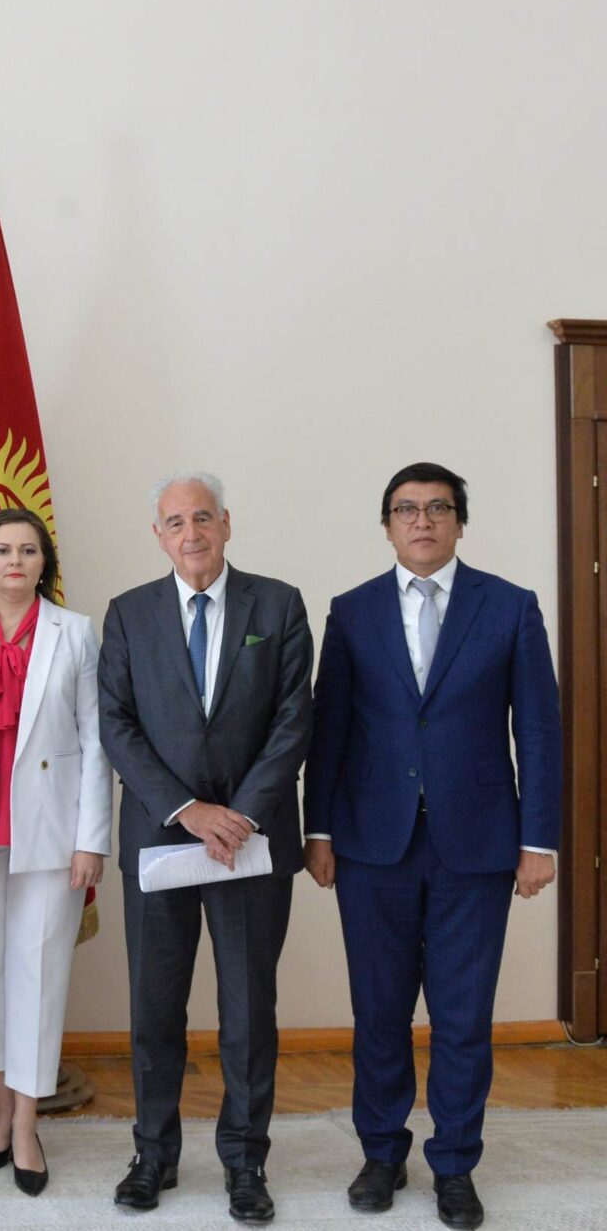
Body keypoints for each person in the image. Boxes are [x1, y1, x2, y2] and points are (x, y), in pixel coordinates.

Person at [303, 463, 561, 1230]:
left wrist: (538, 838)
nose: (422, 520)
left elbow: (538, 730)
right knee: (379, 1012)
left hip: (477, 844)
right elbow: (329, 728)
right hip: (370, 844)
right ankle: (382, 1153)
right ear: (387, 525)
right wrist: (319, 830)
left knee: (463, 1016)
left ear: (459, 521)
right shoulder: (352, 611)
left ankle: (455, 1163)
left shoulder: (509, 606)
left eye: (438, 507)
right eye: (407, 509)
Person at [97, 471, 313, 1223]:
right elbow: (116, 723)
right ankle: (153, 1155)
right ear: (158, 535)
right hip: (161, 837)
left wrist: (240, 815)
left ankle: (246, 1161)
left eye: (202, 518)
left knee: (248, 1010)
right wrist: (189, 809)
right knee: (155, 1007)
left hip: (250, 841)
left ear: (226, 523)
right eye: (175, 522)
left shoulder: (277, 604)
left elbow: (293, 719)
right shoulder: (128, 613)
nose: (190, 533)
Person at [0, 507, 111, 1196]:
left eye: (28, 550)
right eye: (3, 549)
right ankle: (2, 1111)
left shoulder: (76, 631)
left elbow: (97, 741)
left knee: (40, 976)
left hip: (52, 834)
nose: (15, 560)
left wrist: (91, 839)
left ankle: (29, 1124)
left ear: (44, 562)